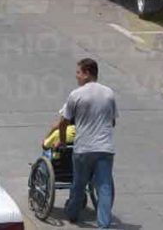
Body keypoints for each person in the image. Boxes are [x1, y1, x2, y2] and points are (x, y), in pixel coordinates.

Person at [49, 58, 117, 229]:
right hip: (105, 148)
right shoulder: (109, 93)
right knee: (105, 187)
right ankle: (103, 225)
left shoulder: (76, 95)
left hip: (84, 149)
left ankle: (72, 213)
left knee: (79, 184)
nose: (76, 76)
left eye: (78, 72)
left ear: (87, 74)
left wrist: (62, 141)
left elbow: (63, 122)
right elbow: (112, 122)